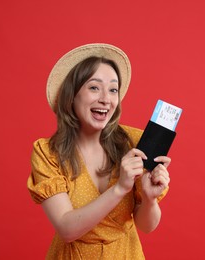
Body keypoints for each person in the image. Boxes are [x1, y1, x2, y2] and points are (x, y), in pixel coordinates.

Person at [27, 43, 171, 259]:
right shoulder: (48, 153)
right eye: (94, 87)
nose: (106, 98)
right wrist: (120, 188)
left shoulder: (134, 142)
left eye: (113, 89)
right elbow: (67, 229)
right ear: (71, 95)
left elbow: (146, 226)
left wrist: (149, 200)